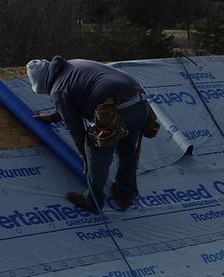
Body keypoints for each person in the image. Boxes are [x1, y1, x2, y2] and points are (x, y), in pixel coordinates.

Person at [26, 57, 156, 213]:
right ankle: (126, 193)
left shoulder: (57, 90)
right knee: (127, 149)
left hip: (118, 108)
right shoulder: (71, 66)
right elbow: (72, 101)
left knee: (96, 151)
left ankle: (93, 201)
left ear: (42, 84)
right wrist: (54, 117)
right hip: (140, 101)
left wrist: (85, 156)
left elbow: (75, 128)